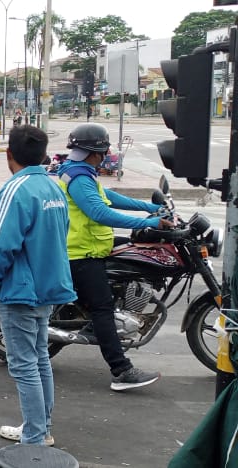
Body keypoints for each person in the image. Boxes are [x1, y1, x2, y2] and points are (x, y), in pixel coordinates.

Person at [0, 125, 75, 460]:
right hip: (47, 288)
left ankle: (33, 440)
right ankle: (40, 428)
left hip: (20, 292)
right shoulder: (52, 187)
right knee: (39, 359)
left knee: (23, 365)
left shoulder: (17, 189)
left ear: (10, 155)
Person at [56, 123, 173, 392]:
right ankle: (121, 370)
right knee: (102, 307)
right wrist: (150, 223)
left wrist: (149, 207)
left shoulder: (80, 172)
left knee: (138, 249)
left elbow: (107, 197)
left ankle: (120, 306)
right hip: (81, 252)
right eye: (105, 149)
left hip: (92, 245)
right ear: (97, 152)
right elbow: (100, 213)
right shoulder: (80, 177)